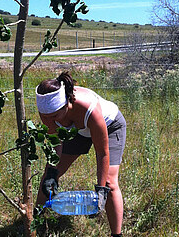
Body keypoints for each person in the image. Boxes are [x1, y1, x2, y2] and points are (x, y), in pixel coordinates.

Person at [35, 71, 126, 237]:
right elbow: (56, 143)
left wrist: (100, 190)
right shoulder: (49, 111)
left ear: (66, 105)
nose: (49, 122)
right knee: (49, 177)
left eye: (54, 116)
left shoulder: (88, 109)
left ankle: (117, 234)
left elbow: (102, 152)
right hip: (78, 131)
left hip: (110, 126)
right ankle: (34, 223)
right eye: (45, 117)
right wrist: (51, 172)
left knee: (109, 183)